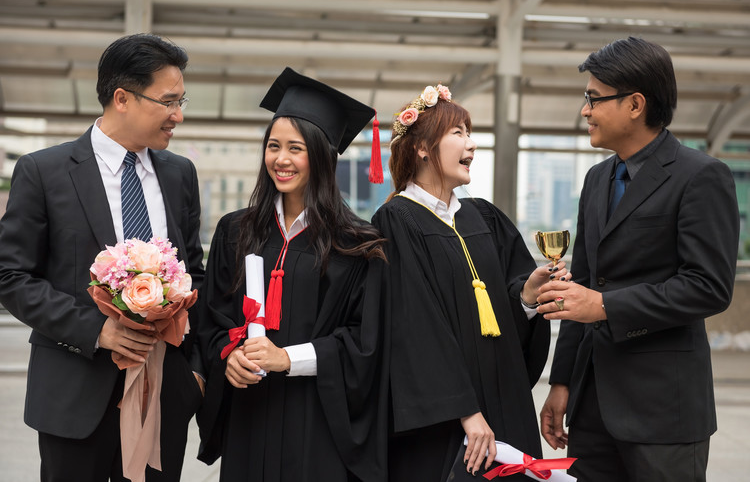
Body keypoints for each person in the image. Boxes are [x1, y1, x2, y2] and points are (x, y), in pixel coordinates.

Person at [0, 34, 205, 481]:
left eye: (181, 100)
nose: (179, 115)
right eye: (169, 101)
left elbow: (195, 273)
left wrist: (194, 374)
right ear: (122, 98)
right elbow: (11, 275)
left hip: (162, 396)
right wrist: (97, 330)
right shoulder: (44, 171)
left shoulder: (179, 174)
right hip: (74, 396)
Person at [536, 37, 740, 482]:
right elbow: (582, 287)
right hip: (592, 410)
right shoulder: (596, 180)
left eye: (593, 98)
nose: (585, 110)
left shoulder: (701, 177)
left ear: (635, 104)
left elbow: (709, 286)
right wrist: (561, 383)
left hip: (664, 412)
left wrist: (607, 306)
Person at [196, 67, 388, 482]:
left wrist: (287, 359)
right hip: (251, 412)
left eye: (295, 148)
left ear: (322, 155)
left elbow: (364, 341)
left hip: (318, 418)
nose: (280, 159)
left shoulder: (357, 244)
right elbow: (212, 319)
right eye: (273, 146)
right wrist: (228, 357)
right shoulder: (236, 230)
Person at [371, 84, 567, 481]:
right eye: (458, 133)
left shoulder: (485, 218)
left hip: (503, 405)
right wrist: (466, 410)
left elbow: (506, 305)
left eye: (469, 132)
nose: (471, 144)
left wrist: (528, 296)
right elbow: (415, 327)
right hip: (446, 420)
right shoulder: (396, 221)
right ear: (422, 147)